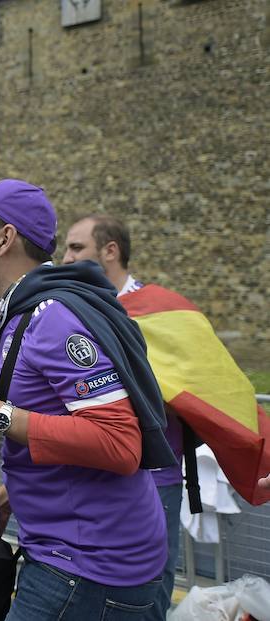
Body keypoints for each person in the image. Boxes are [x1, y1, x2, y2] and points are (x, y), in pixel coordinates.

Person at [0, 180, 175, 620]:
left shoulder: (53, 319)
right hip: (69, 555)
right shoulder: (12, 316)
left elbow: (120, 444)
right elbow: (52, 422)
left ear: (5, 238)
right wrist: (2, 500)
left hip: (90, 567)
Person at [62, 213, 270, 617]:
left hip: (156, 478)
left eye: (76, 248)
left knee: (151, 591)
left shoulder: (164, 311)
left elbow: (215, 382)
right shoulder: (75, 309)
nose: (65, 259)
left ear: (110, 251)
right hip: (92, 473)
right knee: (94, 589)